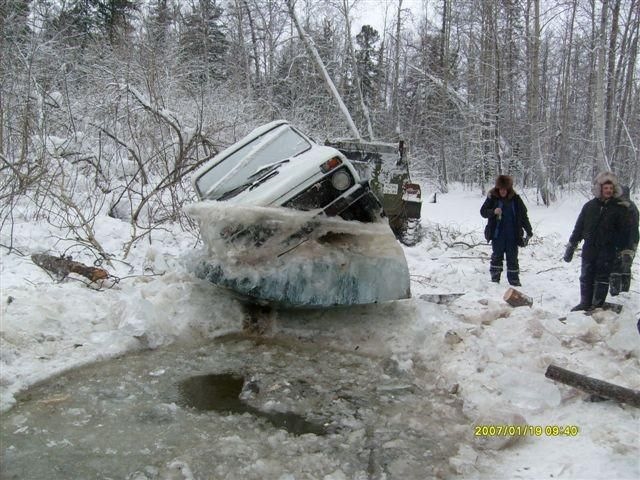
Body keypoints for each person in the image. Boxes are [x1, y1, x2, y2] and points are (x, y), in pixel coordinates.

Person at [563, 172, 630, 311]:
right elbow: (579, 227)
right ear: (600, 189)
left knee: (602, 277)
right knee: (586, 275)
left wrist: (625, 251)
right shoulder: (589, 206)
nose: (608, 191)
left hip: (608, 249)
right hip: (589, 247)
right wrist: (572, 244)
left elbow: (625, 232)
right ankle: (585, 303)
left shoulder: (619, 208)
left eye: (611, 189)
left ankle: (596, 305)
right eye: (606, 188)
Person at [481, 175, 533, 286]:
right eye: (501, 189)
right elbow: (483, 212)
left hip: (513, 236)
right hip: (497, 235)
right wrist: (493, 211)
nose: (503, 191)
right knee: (496, 257)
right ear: (498, 189)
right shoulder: (492, 198)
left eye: (505, 189)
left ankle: (514, 281)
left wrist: (529, 230)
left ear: (508, 189)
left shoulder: (516, 199)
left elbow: (523, 216)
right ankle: (495, 280)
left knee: (512, 259)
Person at [609, 186, 639, 295]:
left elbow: (631, 227)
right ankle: (624, 290)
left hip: (625, 241)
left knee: (616, 265)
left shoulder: (627, 208)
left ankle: (615, 291)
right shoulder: (632, 206)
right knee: (626, 265)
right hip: (632, 240)